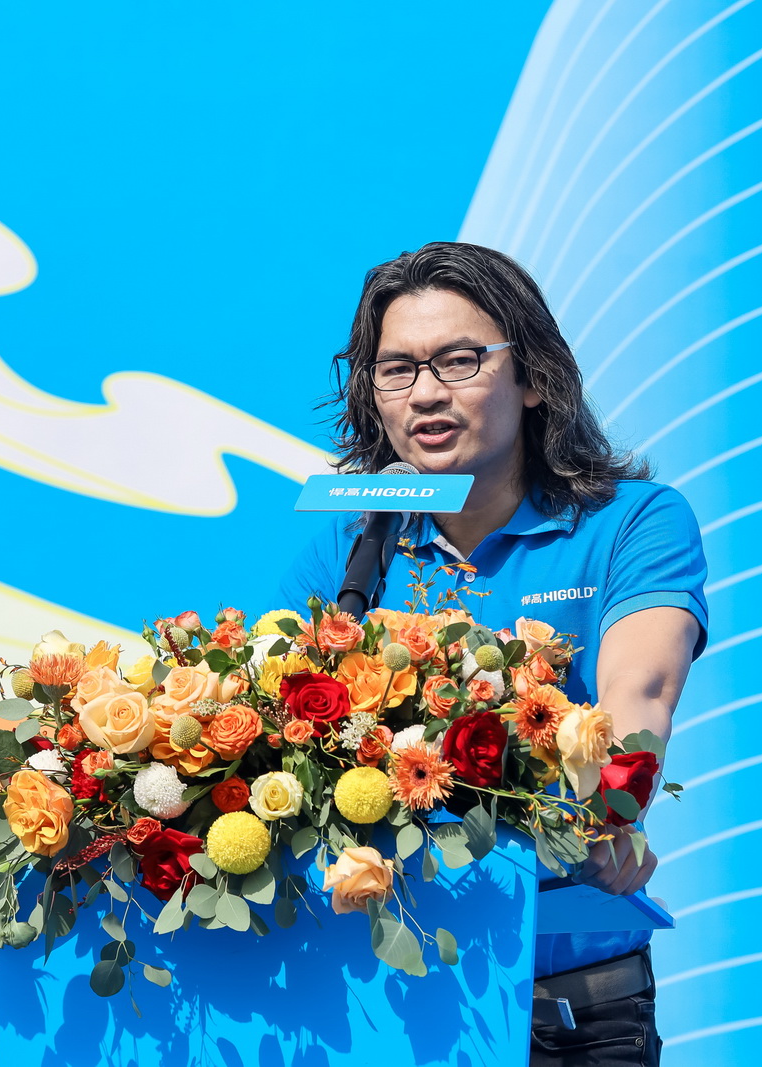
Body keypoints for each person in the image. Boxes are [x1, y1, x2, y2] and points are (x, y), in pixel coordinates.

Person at [274, 241, 707, 1066]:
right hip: (381, 998)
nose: (425, 392)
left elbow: (640, 691)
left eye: (459, 360)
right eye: (396, 369)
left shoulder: (633, 522)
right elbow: (279, 728)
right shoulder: (349, 547)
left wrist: (613, 816)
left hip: (568, 1012)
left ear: (533, 377)